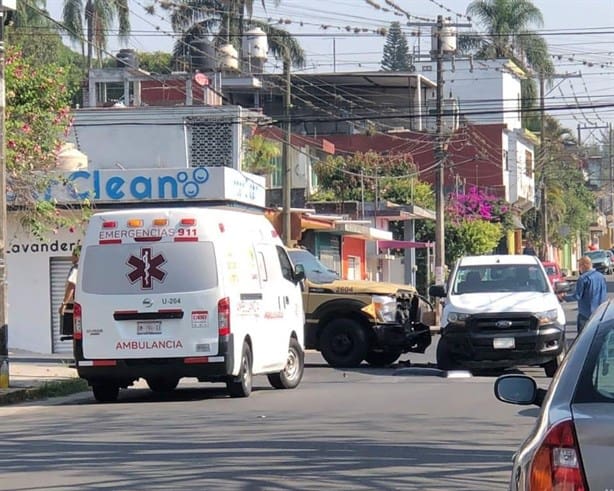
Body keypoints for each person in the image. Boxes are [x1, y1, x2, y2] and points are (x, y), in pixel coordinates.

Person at [559, 256, 608, 334]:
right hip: (601, 313)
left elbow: (577, 296)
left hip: (586, 315)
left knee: (584, 339)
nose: (579, 268)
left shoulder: (583, 278)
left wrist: (564, 297)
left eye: (579, 265)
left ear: (584, 265)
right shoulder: (601, 276)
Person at [59, 245, 80, 336]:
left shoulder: (76, 268)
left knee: (75, 333)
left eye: (73, 255)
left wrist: (64, 304)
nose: (71, 257)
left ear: (77, 256)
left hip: (73, 305)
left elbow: (71, 286)